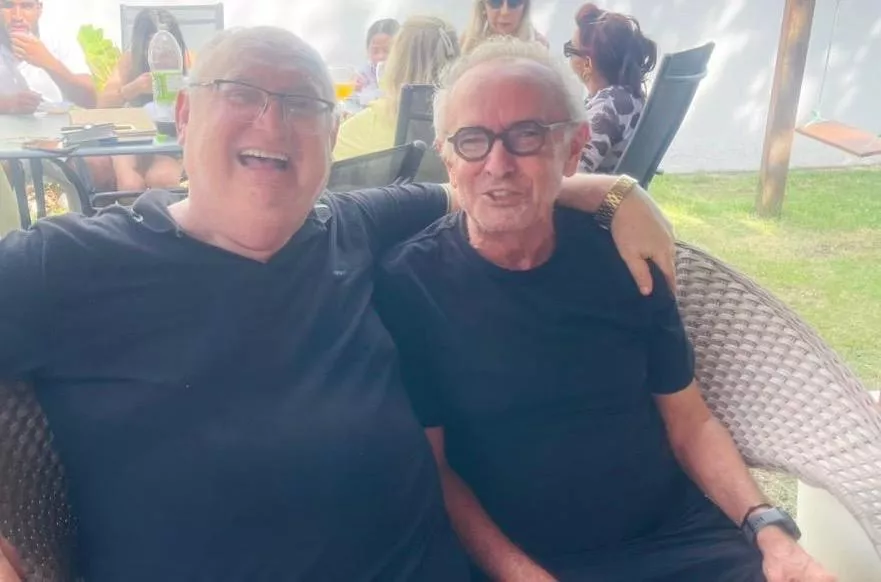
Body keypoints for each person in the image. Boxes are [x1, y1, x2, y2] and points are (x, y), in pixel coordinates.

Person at [0, 26, 677, 581]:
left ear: (330, 139)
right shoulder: (71, 263)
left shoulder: (348, 224)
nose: (273, 121)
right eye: (242, 93)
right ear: (184, 115)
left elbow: (481, 188)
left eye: (303, 104)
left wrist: (615, 192)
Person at [375, 37, 837, 582]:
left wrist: (769, 530)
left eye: (527, 135)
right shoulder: (412, 285)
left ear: (573, 148)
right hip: (524, 559)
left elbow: (689, 420)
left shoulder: (626, 257)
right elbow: (435, 470)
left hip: (676, 540)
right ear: (448, 158)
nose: (498, 163)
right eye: (472, 140)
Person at [334, 16, 458, 160]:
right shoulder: (466, 120)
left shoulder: (368, 124)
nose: (381, 57)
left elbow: (328, 157)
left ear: (396, 61)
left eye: (388, 51)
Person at [97, 8, 188, 191]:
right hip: (132, 137)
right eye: (152, 43)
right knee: (130, 184)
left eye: (167, 44)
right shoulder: (130, 61)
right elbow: (102, 106)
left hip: (168, 139)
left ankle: (163, 209)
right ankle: (127, 209)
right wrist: (133, 88)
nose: (160, 52)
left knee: (164, 179)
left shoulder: (187, 59)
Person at [566, 3, 657, 174]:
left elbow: (572, 175)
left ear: (587, 63)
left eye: (570, 49)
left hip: (591, 191)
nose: (569, 56)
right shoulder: (628, 97)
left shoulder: (605, 111)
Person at [1, 0, 95, 108]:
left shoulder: (59, 41)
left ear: (39, 9)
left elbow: (90, 100)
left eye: (26, 6)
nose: (17, 17)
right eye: (8, 5)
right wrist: (6, 104)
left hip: (56, 118)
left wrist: (48, 62)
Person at [460, 0, 546, 55]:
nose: (505, 12)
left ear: (524, 7)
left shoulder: (538, 46)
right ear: (483, 7)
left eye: (514, 2)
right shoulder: (466, 44)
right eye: (495, 2)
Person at [352, 17, 400, 108]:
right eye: (375, 51)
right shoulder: (363, 74)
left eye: (387, 50)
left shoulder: (405, 74)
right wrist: (354, 91)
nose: (380, 56)